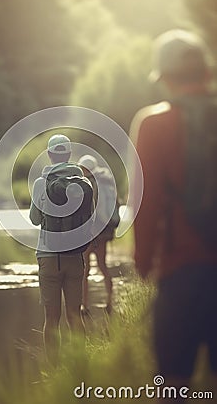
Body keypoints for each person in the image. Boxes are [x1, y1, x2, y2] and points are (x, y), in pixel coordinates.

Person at [130, 29, 217, 400]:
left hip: (180, 273)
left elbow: (144, 203)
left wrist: (143, 262)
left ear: (164, 77)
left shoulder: (153, 124)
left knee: (172, 384)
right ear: (207, 72)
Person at [29, 134, 87, 367]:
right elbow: (88, 218)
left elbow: (34, 219)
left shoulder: (40, 183)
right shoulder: (83, 182)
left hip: (48, 256)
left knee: (51, 319)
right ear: (69, 155)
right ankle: (80, 367)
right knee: (75, 316)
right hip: (75, 256)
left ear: (50, 154)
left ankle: (54, 371)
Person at [78, 155, 119, 316]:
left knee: (84, 269)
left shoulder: (90, 183)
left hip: (90, 233)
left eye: (82, 168)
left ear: (86, 169)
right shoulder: (105, 182)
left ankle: (84, 305)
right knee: (103, 266)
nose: (81, 171)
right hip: (103, 232)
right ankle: (109, 302)